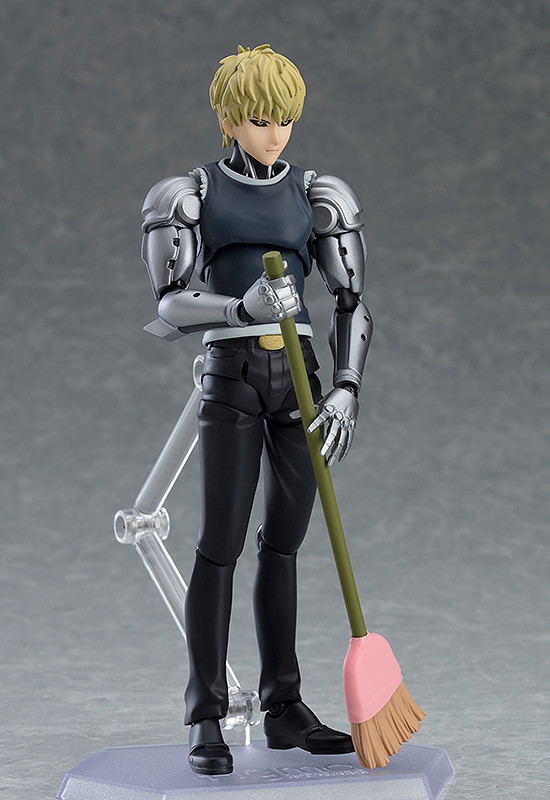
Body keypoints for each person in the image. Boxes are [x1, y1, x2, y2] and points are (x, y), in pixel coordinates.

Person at [140, 44, 373, 775]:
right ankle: (205, 713)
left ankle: (284, 706)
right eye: (260, 119)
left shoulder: (317, 194)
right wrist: (237, 306)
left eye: (285, 120)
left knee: (286, 541)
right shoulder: (190, 194)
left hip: (299, 377)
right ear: (229, 119)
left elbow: (351, 301)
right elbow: (169, 303)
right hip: (232, 371)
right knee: (220, 542)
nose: (275, 134)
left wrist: (347, 385)